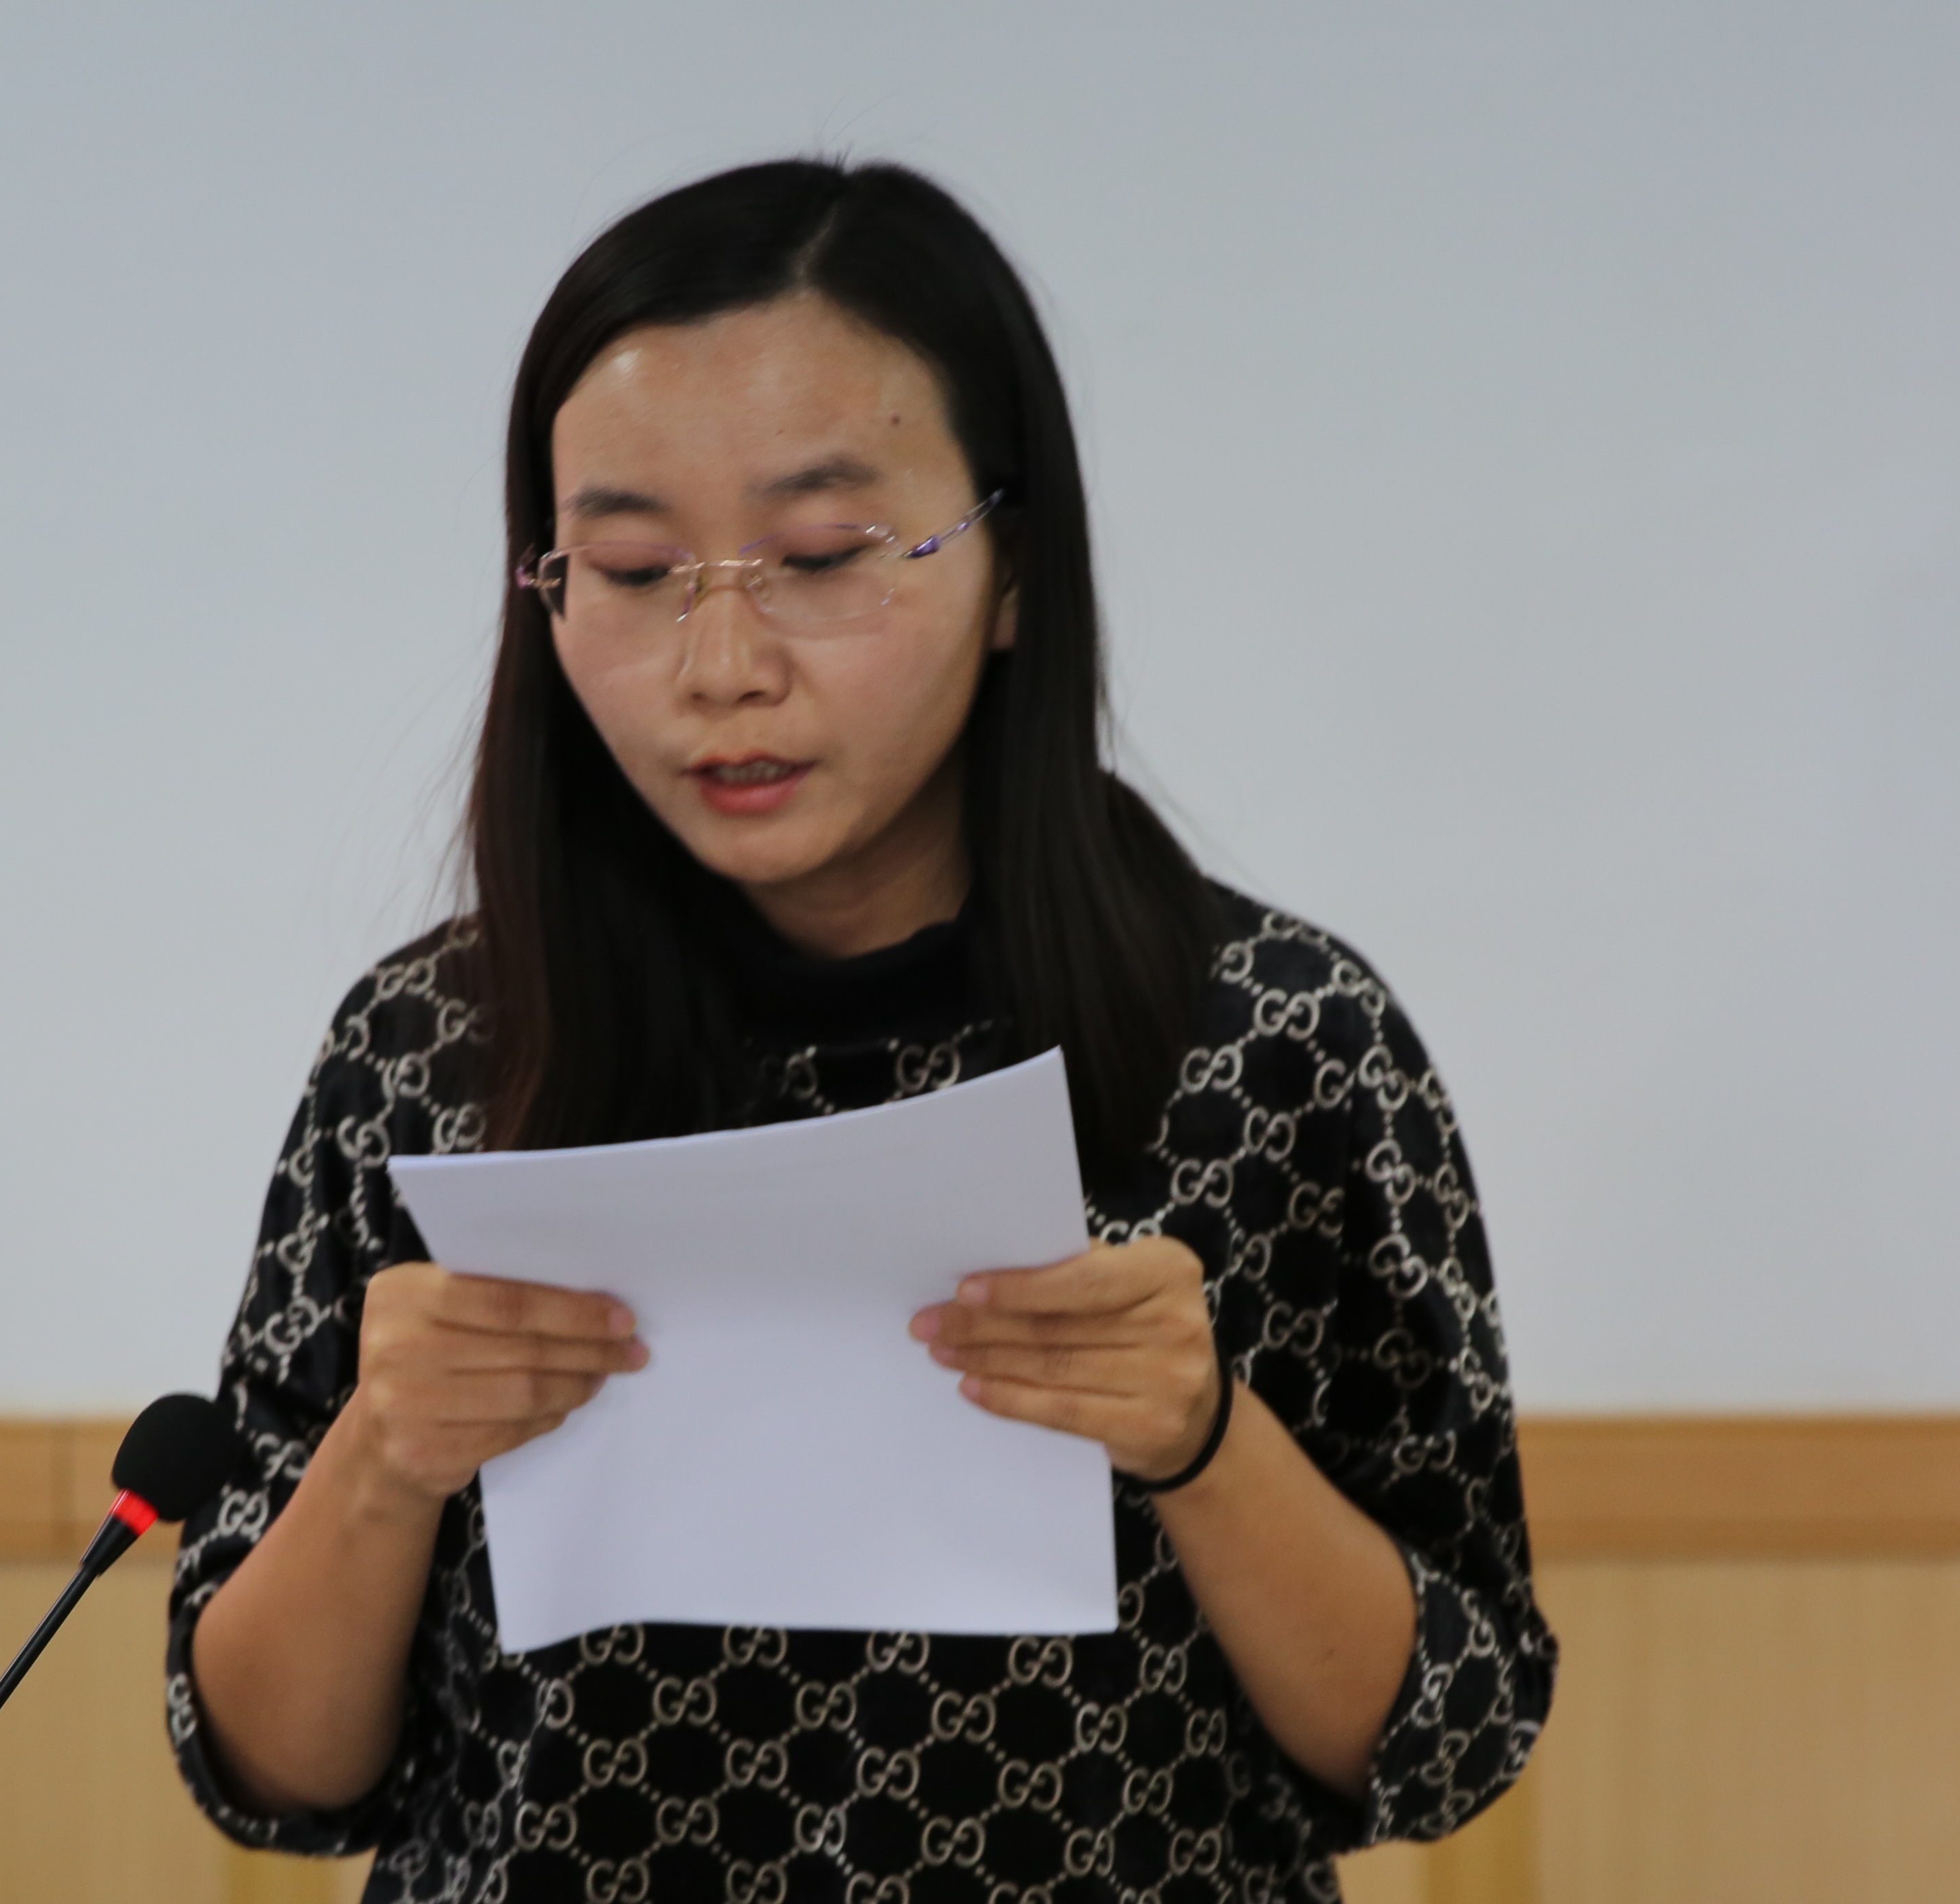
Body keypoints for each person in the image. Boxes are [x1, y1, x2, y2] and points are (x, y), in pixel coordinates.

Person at [167, 158, 1554, 1904]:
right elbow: (270, 1772)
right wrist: (384, 1453)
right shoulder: (436, 1052)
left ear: (1013, 564)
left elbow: (1447, 1736)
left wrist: (1205, 1439)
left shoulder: (1279, 1045)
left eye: (821, 557)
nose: (721, 663)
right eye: (633, 568)